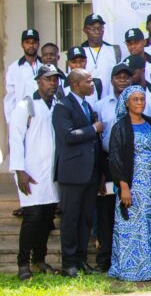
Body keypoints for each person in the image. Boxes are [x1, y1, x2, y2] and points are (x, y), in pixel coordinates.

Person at [108, 85, 151, 281]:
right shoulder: (120, 127)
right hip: (133, 183)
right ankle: (134, 268)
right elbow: (116, 159)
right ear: (126, 103)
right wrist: (124, 187)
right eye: (135, 99)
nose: (139, 103)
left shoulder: (150, 122)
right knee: (134, 225)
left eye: (142, 99)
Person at [9, 64, 63, 280]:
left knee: (47, 217)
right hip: (31, 172)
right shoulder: (26, 105)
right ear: (38, 81)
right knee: (32, 217)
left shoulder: (58, 104)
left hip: (51, 172)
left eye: (55, 79)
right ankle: (23, 264)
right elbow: (15, 139)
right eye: (48, 79)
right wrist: (19, 170)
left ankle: (39, 260)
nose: (53, 83)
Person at [52, 68, 105, 278]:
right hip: (72, 173)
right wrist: (93, 129)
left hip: (90, 173)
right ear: (76, 84)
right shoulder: (62, 106)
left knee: (85, 218)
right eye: (88, 81)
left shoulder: (87, 105)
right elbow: (68, 136)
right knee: (71, 218)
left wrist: (100, 171)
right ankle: (69, 263)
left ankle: (82, 259)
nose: (92, 85)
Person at [93, 62, 134, 272]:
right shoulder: (101, 105)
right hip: (108, 164)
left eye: (126, 77)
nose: (123, 80)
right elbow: (97, 140)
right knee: (106, 212)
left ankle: (128, 256)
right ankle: (105, 258)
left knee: (129, 209)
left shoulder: (137, 102)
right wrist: (100, 171)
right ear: (112, 80)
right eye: (119, 77)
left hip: (132, 164)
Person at [5, 29, 42, 124]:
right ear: (22, 45)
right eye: (27, 42)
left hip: (42, 116)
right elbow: (10, 97)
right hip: (22, 119)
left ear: (38, 44)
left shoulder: (44, 65)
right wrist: (11, 121)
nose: (31, 45)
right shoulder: (14, 68)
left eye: (34, 42)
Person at [81, 14, 122, 83]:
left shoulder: (114, 50)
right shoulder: (81, 52)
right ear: (85, 30)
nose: (97, 32)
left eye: (100, 28)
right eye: (93, 29)